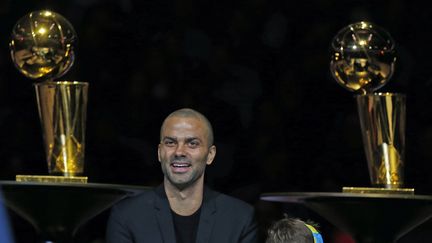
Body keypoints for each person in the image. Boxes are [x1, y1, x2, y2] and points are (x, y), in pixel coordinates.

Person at [106, 108, 258, 243]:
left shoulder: (240, 217)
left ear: (210, 155)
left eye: (192, 143)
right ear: (159, 153)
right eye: (171, 143)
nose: (179, 152)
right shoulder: (127, 216)